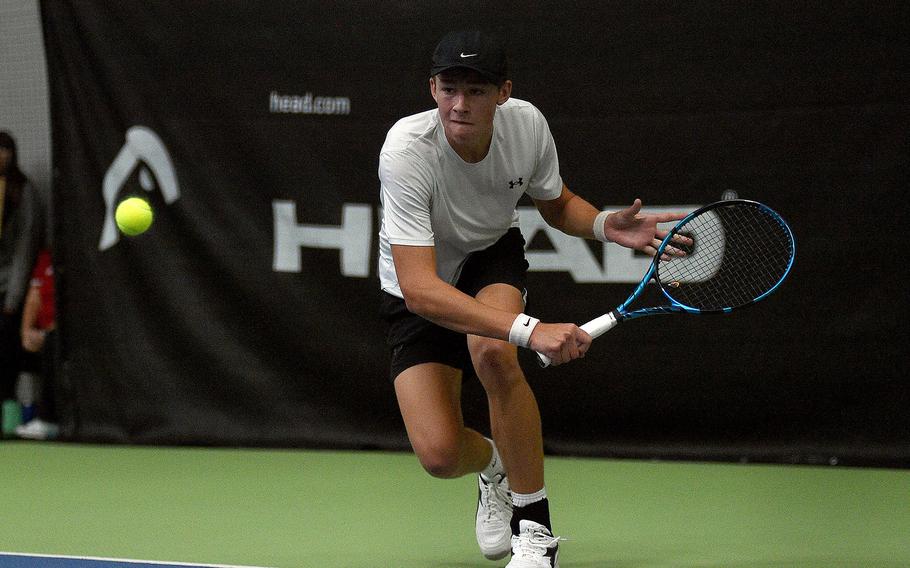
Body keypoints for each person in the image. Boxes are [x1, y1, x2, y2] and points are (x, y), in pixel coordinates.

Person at [377, 30, 687, 567]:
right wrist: (530, 329)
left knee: (493, 352)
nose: (459, 103)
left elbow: (556, 203)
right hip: (421, 280)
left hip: (488, 255)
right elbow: (421, 289)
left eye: (476, 91)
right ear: (432, 88)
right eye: (449, 88)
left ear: (503, 92)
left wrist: (607, 225)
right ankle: (495, 467)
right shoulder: (407, 150)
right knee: (439, 455)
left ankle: (535, 531)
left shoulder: (527, 125)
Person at [0, 130, 42, 435]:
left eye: (6, 150)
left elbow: (25, 247)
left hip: (11, 293)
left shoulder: (23, 191)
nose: (2, 156)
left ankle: (16, 420)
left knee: (12, 355)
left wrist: (13, 298)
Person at [15, 248, 59, 440]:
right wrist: (26, 331)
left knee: (51, 344)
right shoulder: (45, 258)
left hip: (59, 335)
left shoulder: (78, 261)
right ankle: (23, 414)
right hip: (43, 332)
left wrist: (51, 331)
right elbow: (35, 295)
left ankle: (49, 419)